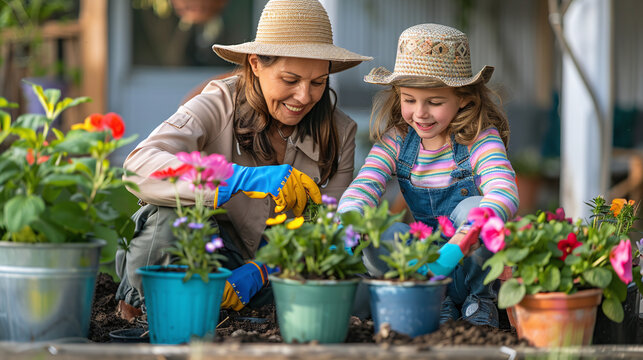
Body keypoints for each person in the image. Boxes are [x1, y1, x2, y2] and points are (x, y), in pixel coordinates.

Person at [115, 0, 371, 312]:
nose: (304, 97)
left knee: (345, 285)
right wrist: (236, 178)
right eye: (290, 80)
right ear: (255, 64)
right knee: (168, 217)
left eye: (318, 82)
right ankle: (149, 315)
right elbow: (138, 166)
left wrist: (265, 268)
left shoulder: (339, 132)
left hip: (278, 271)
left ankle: (230, 314)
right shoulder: (219, 102)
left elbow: (333, 230)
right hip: (209, 255)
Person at [338, 23, 518, 327]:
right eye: (409, 100)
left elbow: (503, 190)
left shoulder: (480, 139)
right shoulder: (396, 141)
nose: (420, 113)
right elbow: (365, 185)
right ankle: (436, 300)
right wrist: (348, 221)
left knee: (475, 208)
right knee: (377, 232)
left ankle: (480, 301)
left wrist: (469, 231)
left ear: (463, 97)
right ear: (398, 96)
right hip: (421, 269)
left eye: (434, 102)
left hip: (469, 265)